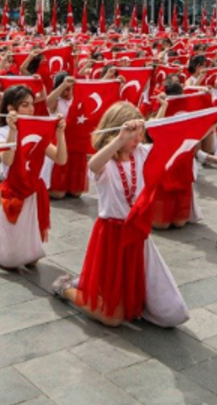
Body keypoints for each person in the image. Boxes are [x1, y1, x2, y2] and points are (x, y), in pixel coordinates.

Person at [51, 103, 152, 326]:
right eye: (133, 136)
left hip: (134, 234)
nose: (138, 140)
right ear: (116, 131)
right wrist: (120, 139)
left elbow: (172, 140)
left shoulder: (141, 154)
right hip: (111, 235)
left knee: (132, 308)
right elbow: (94, 164)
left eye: (140, 134)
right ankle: (66, 288)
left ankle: (88, 284)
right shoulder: (106, 163)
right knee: (113, 318)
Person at [0, 85, 66, 270]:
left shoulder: (38, 130)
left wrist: (60, 133)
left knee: (31, 259)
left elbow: (60, 158)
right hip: (14, 192)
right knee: (7, 260)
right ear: (11, 108)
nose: (31, 109)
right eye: (25, 104)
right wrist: (13, 130)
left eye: (32, 104)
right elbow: (8, 160)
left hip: (33, 192)